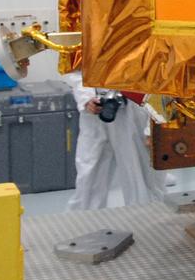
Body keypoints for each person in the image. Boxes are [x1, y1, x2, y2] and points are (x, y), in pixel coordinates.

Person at [65, 72, 164, 210]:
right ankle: (85, 220)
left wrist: (154, 124)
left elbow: (163, 72)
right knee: (89, 177)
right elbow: (73, 67)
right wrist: (86, 98)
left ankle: (147, 219)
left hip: (137, 107)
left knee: (142, 179)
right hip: (97, 108)